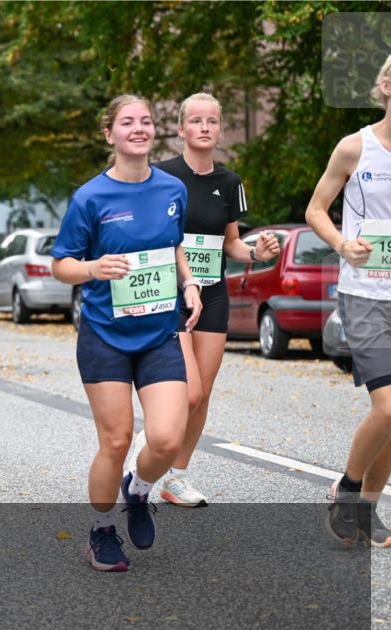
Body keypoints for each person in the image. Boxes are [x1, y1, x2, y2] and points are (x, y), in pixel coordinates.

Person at [51, 95, 202, 572]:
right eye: (127, 122)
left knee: (165, 438)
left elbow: (174, 245)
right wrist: (93, 266)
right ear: (110, 134)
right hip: (105, 337)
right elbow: (61, 265)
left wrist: (190, 281)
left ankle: (137, 490)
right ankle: (100, 531)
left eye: (146, 122)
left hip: (159, 333)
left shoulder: (172, 189)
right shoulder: (90, 197)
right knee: (115, 442)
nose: (139, 128)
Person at [140, 93, 279, 507]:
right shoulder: (160, 176)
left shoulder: (229, 182)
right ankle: (146, 455)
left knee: (205, 390)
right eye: (196, 121)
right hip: (172, 292)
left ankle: (175, 477)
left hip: (214, 293)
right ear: (181, 129)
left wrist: (256, 252)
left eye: (213, 121)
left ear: (219, 130)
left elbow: (230, 244)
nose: (205, 127)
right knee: (189, 392)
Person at [306, 55, 391, 548]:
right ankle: (350, 488)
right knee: (388, 406)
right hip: (365, 294)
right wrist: (341, 244)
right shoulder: (354, 147)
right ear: (385, 86)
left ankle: (367, 509)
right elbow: (315, 209)